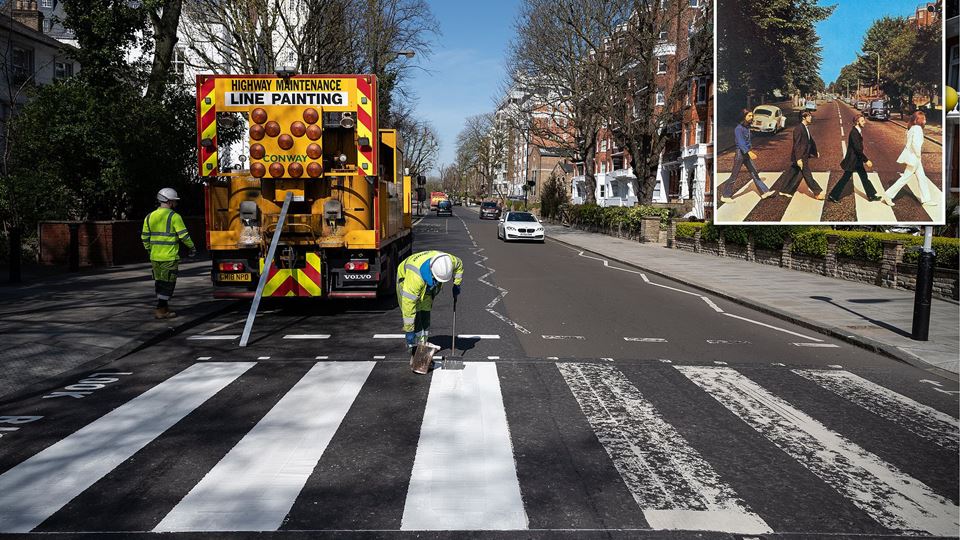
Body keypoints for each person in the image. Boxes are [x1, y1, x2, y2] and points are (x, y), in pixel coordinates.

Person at [142, 188, 195, 319]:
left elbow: (144, 237)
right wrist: (192, 247)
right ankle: (161, 310)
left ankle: (163, 308)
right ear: (169, 202)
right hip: (169, 257)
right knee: (168, 283)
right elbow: (184, 236)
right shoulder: (174, 217)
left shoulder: (149, 217)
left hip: (155, 257)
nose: (176, 204)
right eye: (175, 201)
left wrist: (150, 250)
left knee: (159, 282)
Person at [396, 250, 463, 355]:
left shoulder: (449, 261)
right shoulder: (415, 279)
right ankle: (415, 345)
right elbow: (408, 306)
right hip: (406, 278)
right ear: (432, 273)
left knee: (425, 310)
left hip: (426, 280)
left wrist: (456, 284)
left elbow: (459, 265)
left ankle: (424, 342)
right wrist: (409, 330)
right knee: (416, 312)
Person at [883, 111, 937, 207]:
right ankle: (888, 195)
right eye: (923, 119)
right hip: (915, 158)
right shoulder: (917, 129)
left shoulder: (911, 128)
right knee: (905, 178)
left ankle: (926, 199)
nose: (925, 120)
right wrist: (918, 155)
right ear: (918, 120)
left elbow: (907, 143)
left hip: (914, 157)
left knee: (922, 178)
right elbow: (915, 144)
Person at [721, 109, 775, 203]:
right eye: (749, 116)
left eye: (752, 116)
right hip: (740, 154)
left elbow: (747, 141)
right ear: (744, 117)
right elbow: (741, 143)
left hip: (746, 153)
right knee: (734, 175)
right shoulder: (738, 129)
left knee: (754, 172)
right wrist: (749, 152)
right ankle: (725, 195)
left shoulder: (747, 128)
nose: (752, 117)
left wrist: (749, 149)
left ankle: (764, 192)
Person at [828, 113, 881, 203]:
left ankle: (871, 195)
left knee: (864, 177)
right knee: (845, 178)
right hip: (853, 161)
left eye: (864, 120)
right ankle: (833, 195)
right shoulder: (854, 133)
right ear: (857, 122)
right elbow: (857, 149)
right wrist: (866, 160)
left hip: (857, 160)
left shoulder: (857, 131)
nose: (864, 122)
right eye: (862, 121)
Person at [780, 111, 824, 200]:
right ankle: (817, 192)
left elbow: (809, 142)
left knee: (792, 173)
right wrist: (798, 158)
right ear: (804, 118)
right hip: (801, 156)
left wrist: (815, 153)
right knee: (807, 174)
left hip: (803, 155)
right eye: (809, 116)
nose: (811, 118)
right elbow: (797, 144)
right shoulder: (799, 129)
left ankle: (784, 190)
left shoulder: (805, 128)